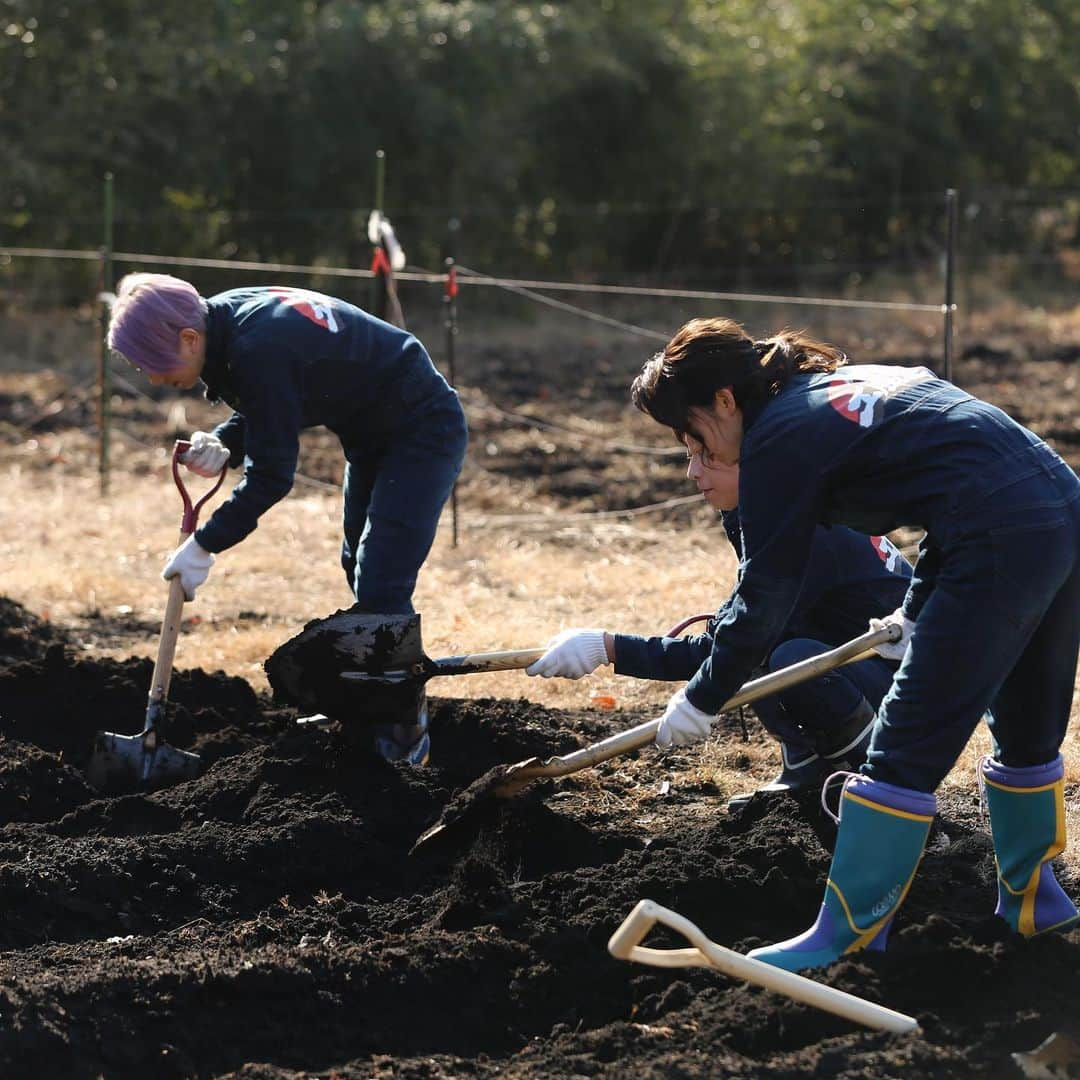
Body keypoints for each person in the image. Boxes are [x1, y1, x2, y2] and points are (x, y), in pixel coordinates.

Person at [618, 316, 1077, 972]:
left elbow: (765, 596)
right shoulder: (827, 390)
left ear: (725, 400)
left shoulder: (774, 437)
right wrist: (915, 611)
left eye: (691, 433)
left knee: (903, 745)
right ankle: (1037, 902)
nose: (696, 451)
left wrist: (705, 695)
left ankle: (846, 936)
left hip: (998, 527)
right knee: (1027, 725)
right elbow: (959, 480)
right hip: (1060, 505)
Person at [106, 273, 468, 766]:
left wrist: (205, 544)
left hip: (422, 428)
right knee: (357, 565)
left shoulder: (256, 345)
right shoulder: (226, 318)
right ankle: (366, 701)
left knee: (383, 574)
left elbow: (273, 476)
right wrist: (226, 440)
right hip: (372, 433)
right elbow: (272, 397)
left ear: (189, 339)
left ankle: (405, 732)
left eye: (151, 364)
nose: (151, 378)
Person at [527, 458, 913, 808]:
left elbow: (734, 644)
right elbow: (740, 626)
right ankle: (807, 768)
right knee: (771, 648)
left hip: (903, 681)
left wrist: (610, 648)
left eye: (707, 458)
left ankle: (881, 784)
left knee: (784, 656)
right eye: (691, 456)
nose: (692, 471)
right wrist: (604, 646)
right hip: (849, 655)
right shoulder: (765, 512)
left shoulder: (807, 532)